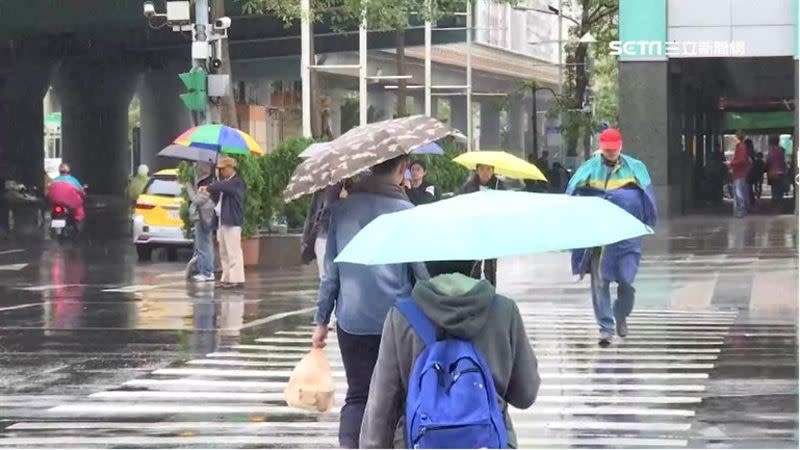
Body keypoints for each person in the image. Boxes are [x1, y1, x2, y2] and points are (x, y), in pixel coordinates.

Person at [311, 154, 429, 449]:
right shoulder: (405, 212)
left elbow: (331, 276)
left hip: (352, 321)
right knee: (398, 394)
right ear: (402, 169)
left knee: (358, 395)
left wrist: (321, 321)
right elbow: (420, 273)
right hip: (397, 322)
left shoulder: (342, 210)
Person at [359, 262, 540, 448]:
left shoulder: (401, 317)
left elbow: (381, 408)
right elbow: (525, 395)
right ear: (475, 261)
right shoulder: (504, 311)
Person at [566, 128, 657, 347]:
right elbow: (571, 195)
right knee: (600, 283)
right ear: (601, 147)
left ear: (621, 146)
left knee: (626, 281)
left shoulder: (636, 168)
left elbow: (647, 198)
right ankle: (605, 328)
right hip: (600, 238)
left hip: (627, 237)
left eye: (614, 149)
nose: (610, 153)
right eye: (607, 150)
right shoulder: (589, 168)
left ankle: (621, 314)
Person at [199, 157, 245, 289]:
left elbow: (223, 187)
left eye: (223, 169)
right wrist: (209, 191)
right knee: (223, 252)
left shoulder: (236, 182)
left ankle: (236, 279)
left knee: (233, 251)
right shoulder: (224, 183)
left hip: (232, 220)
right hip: (222, 220)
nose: (221, 172)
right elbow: (217, 195)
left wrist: (209, 187)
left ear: (231, 167)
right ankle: (227, 278)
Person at [460, 164, 505, 286]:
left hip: (492, 230)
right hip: (474, 230)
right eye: (482, 169)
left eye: (489, 169)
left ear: (493, 171)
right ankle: (474, 292)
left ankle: (490, 291)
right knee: (474, 265)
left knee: (490, 266)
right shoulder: (468, 187)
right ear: (477, 171)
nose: (485, 172)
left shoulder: (498, 186)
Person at [301, 180, 349, 280]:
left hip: (345, 237)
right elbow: (315, 212)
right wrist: (306, 238)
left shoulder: (353, 183)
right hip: (325, 237)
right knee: (327, 280)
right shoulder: (324, 185)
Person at [187, 162, 217, 283]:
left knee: (205, 246)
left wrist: (188, 187)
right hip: (201, 218)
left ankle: (207, 272)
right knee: (202, 245)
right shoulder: (205, 183)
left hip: (204, 218)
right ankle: (204, 271)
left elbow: (197, 200)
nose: (197, 171)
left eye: (198, 169)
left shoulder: (208, 185)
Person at [729, 132, 751, 218]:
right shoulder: (741, 146)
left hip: (739, 173)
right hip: (739, 173)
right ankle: (740, 210)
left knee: (739, 193)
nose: (734, 139)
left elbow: (741, 160)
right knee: (740, 192)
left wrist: (731, 163)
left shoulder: (741, 147)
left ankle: (741, 211)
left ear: (737, 137)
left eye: (735, 137)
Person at [766, 135, 788, 210]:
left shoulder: (771, 151)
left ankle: (775, 207)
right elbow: (783, 162)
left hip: (773, 173)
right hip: (781, 172)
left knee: (775, 190)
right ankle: (779, 206)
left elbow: (768, 162)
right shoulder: (781, 150)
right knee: (780, 191)